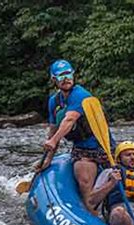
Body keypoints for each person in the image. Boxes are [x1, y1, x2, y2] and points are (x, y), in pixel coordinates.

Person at [39, 59, 115, 212]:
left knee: (117, 185)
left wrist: (54, 141)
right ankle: (92, 214)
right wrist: (47, 159)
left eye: (68, 74)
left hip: (101, 145)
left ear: (73, 75)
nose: (66, 79)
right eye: (61, 76)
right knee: (85, 182)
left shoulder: (81, 95)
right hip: (82, 149)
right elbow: (53, 130)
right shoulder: (54, 101)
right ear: (54, 80)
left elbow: (70, 119)